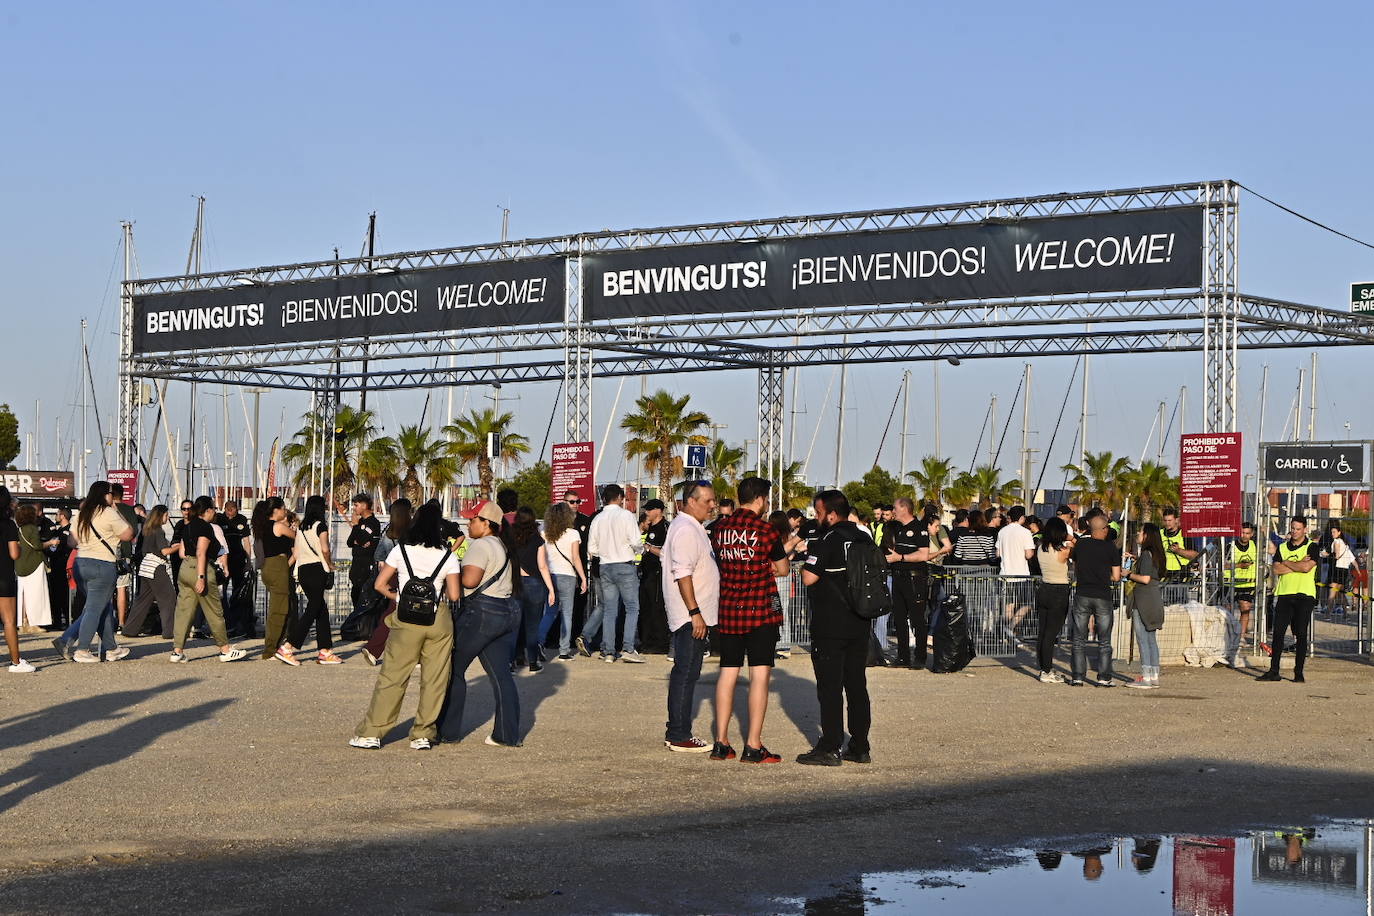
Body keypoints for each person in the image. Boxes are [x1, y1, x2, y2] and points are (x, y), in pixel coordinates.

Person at [350, 501, 460, 751]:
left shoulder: (401, 550)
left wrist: (398, 597)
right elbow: (454, 595)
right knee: (435, 679)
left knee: (393, 676)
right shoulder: (448, 555)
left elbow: (379, 584)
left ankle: (372, 733)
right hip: (438, 618)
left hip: (406, 618)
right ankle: (423, 733)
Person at [709, 477, 789, 762]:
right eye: (766, 500)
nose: (767, 505)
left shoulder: (720, 529)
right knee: (759, 676)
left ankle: (721, 742)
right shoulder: (766, 530)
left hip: (729, 608)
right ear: (759, 499)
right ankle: (753, 745)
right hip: (759, 611)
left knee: (728, 673)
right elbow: (783, 568)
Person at [437, 500, 523, 747]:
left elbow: (471, 581)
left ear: (487, 524)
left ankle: (447, 731)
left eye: (473, 519)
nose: (468, 523)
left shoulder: (480, 545)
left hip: (482, 612)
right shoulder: (502, 546)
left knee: (453, 668)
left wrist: (449, 574)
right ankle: (506, 734)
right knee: (501, 675)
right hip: (506, 611)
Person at [797, 490, 873, 766]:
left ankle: (830, 746)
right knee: (856, 685)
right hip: (861, 621)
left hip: (831, 623)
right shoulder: (863, 536)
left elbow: (807, 577)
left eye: (818, 513)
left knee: (830, 687)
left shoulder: (827, 539)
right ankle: (860, 745)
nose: (816, 518)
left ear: (830, 514)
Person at [662, 480, 719, 753]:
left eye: (713, 500)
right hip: (690, 616)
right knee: (685, 672)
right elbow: (682, 573)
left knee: (689, 672)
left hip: (696, 615)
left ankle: (676, 729)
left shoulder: (693, 528)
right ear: (690, 500)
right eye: (707, 501)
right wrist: (694, 612)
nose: (712, 506)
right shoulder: (685, 529)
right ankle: (679, 733)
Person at [169, 496, 247, 663]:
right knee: (214, 611)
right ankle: (225, 650)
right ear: (208, 511)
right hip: (201, 567)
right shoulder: (205, 527)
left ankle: (177, 651)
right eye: (213, 509)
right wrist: (201, 577)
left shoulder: (187, 526)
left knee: (184, 611)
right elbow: (201, 552)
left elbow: (182, 552)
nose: (215, 513)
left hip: (185, 568)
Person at [68, 481, 135, 663]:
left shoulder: (81, 514)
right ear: (105, 495)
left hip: (80, 563)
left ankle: (111, 648)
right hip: (102, 564)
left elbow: (71, 543)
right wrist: (117, 510)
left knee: (101, 607)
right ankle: (82, 649)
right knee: (94, 608)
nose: (112, 497)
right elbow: (129, 534)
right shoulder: (109, 512)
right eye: (111, 494)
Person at [275, 495, 343, 666]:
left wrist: (285, 570)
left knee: (320, 609)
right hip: (317, 570)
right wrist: (329, 564)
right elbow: (325, 549)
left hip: (303, 571)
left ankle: (325, 650)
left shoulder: (302, 528)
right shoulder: (321, 526)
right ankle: (288, 646)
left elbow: (296, 553)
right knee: (313, 609)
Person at [585, 484, 645, 663]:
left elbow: (591, 548)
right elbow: (635, 540)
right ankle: (628, 648)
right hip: (625, 565)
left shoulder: (598, 518)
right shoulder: (626, 515)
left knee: (610, 609)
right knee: (632, 607)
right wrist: (639, 550)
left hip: (605, 565)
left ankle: (608, 650)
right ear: (619, 498)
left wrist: (605, 552)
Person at [1258, 516, 1320, 684]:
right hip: (1285, 594)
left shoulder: (1312, 547)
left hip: (1304, 595)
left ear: (1305, 529)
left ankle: (1298, 672)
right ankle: (1274, 670)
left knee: (1300, 634)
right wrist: (1297, 563)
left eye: (1298, 528)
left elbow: (1307, 568)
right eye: (1292, 528)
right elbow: (1276, 569)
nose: (1294, 531)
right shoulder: (1283, 547)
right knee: (1278, 633)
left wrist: (1288, 563)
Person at [1069, 515, 1121, 687]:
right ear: (1103, 529)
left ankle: (1077, 676)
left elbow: (1076, 567)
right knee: (1104, 640)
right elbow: (1116, 576)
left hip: (1082, 593)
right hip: (1102, 595)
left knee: (1078, 639)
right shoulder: (1110, 547)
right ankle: (1104, 677)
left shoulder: (1081, 545)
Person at [881, 498, 933, 670]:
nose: (893, 511)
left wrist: (900, 558)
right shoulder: (898, 529)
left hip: (915, 579)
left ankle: (920, 657)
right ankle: (903, 657)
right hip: (898, 578)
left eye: (895, 508)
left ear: (904, 508)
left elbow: (924, 555)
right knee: (900, 619)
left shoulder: (919, 529)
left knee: (918, 620)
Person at [359, 499, 412, 666]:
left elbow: (378, 555)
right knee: (408, 612)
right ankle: (376, 648)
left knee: (393, 610)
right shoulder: (412, 532)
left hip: (392, 574)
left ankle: (374, 648)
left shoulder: (388, 532)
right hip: (409, 576)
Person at [510, 507, 555, 674]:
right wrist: (551, 589)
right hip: (534, 583)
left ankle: (511, 661)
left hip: (514, 583)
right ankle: (533, 662)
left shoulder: (510, 538)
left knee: (514, 625)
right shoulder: (537, 539)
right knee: (532, 626)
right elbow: (543, 566)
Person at [123, 505, 178, 639]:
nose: (168, 517)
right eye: (166, 515)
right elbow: (164, 551)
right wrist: (179, 546)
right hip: (156, 567)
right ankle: (169, 631)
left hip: (145, 566)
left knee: (143, 599)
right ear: (161, 516)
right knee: (168, 598)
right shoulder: (158, 531)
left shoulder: (147, 530)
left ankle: (130, 629)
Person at [539, 501, 585, 660]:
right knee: (567, 614)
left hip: (549, 575)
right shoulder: (573, 534)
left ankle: (539, 642)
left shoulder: (543, 533)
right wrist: (583, 578)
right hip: (568, 576)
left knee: (549, 611)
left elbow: (542, 558)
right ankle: (564, 651)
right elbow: (576, 558)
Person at [252, 496, 296, 661]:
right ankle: (271, 649)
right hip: (277, 566)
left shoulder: (262, 527)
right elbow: (298, 537)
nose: (285, 512)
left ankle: (275, 645)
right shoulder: (278, 526)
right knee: (279, 610)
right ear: (275, 510)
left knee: (279, 607)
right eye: (283, 509)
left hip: (268, 567)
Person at [1125, 523, 1167, 689]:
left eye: (1141, 531)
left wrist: (1128, 573)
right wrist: (1137, 560)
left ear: (1147, 535)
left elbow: (1145, 578)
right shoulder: (1156, 554)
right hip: (1154, 598)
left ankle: (1145, 677)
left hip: (1143, 600)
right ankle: (1154, 675)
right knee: (1151, 639)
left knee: (1143, 639)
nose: (1138, 533)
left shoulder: (1147, 555)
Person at [1034, 517, 1073, 683]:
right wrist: (1071, 538)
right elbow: (1077, 548)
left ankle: (1044, 667)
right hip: (1059, 590)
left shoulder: (1040, 548)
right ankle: (1047, 671)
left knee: (1043, 632)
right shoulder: (1064, 551)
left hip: (1044, 588)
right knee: (1051, 634)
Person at [0, 487, 35, 672]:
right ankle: (16, 662)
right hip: (3, 576)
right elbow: (14, 554)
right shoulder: (9, 525)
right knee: (9, 621)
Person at [14, 504, 57, 635]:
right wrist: (51, 543)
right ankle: (34, 623)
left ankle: (23, 622)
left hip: (21, 565)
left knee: (23, 595)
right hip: (34, 564)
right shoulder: (32, 528)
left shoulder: (19, 529)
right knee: (37, 595)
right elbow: (38, 546)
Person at [216, 500, 254, 638]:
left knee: (238, 593)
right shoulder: (219, 519)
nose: (230, 512)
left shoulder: (242, 519)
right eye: (228, 509)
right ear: (225, 509)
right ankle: (225, 623)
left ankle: (238, 623)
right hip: (223, 559)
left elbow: (246, 542)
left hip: (238, 560)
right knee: (221, 593)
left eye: (233, 509)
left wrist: (249, 561)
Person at [637, 499, 670, 654]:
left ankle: (660, 643)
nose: (647, 513)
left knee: (657, 608)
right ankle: (646, 641)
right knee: (645, 608)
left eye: (650, 510)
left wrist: (649, 548)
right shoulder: (650, 528)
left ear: (658, 510)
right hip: (646, 572)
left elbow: (666, 553)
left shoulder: (665, 528)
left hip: (658, 573)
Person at [769, 509, 803, 659]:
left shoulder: (785, 538)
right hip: (781, 576)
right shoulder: (788, 537)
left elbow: (790, 554)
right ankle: (779, 643)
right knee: (778, 609)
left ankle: (783, 644)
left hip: (780, 576)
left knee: (780, 610)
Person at [997, 506, 1036, 634]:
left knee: (1009, 606)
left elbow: (998, 553)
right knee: (1028, 603)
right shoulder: (1025, 532)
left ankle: (1007, 632)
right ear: (1021, 518)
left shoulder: (1002, 531)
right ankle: (1010, 628)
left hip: (1005, 574)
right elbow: (1028, 554)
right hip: (1022, 574)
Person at [346, 494, 382, 623]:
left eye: (356, 505)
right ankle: (357, 623)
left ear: (364, 506)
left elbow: (370, 544)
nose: (354, 508)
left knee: (365, 595)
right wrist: (359, 539)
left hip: (366, 565)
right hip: (356, 564)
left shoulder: (373, 523)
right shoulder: (359, 522)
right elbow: (350, 542)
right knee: (355, 593)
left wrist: (358, 536)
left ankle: (365, 624)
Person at [1226, 521, 1259, 661]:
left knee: (1245, 608)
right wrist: (1240, 565)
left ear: (1251, 534)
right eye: (1242, 532)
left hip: (1248, 582)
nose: (1244, 535)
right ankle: (1228, 635)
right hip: (1231, 582)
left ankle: (1241, 636)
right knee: (1227, 610)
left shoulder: (1255, 545)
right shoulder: (1231, 546)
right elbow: (1224, 565)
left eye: (1247, 533)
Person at [1322, 521, 1360, 617]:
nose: (1332, 534)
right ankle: (1345, 613)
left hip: (1336, 569)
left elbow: (1337, 556)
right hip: (1344, 571)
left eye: (1334, 532)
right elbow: (1353, 560)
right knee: (1341, 593)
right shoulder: (1346, 545)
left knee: (1332, 592)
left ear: (1339, 532)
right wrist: (1358, 572)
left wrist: (1325, 554)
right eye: (1332, 532)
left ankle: (1327, 614)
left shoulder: (1337, 541)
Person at [1159, 508, 1199, 580]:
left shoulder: (1184, 535)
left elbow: (1195, 555)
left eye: (1170, 520)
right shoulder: (1159, 534)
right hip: (1163, 575)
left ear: (1176, 520)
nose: (1167, 523)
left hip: (1181, 574)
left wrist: (1178, 550)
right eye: (1165, 520)